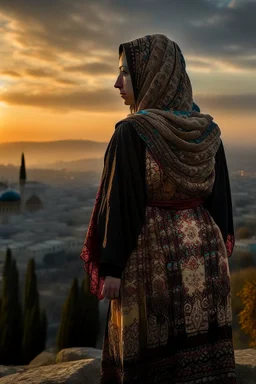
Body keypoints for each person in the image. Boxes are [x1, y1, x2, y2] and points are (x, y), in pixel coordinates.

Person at [80, 34, 236, 384]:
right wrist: (220, 254)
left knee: (149, 361)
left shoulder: (132, 133)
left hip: (151, 259)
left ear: (154, 75)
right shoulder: (208, 132)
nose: (116, 83)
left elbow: (120, 203)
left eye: (125, 73)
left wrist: (112, 267)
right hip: (206, 260)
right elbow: (221, 203)